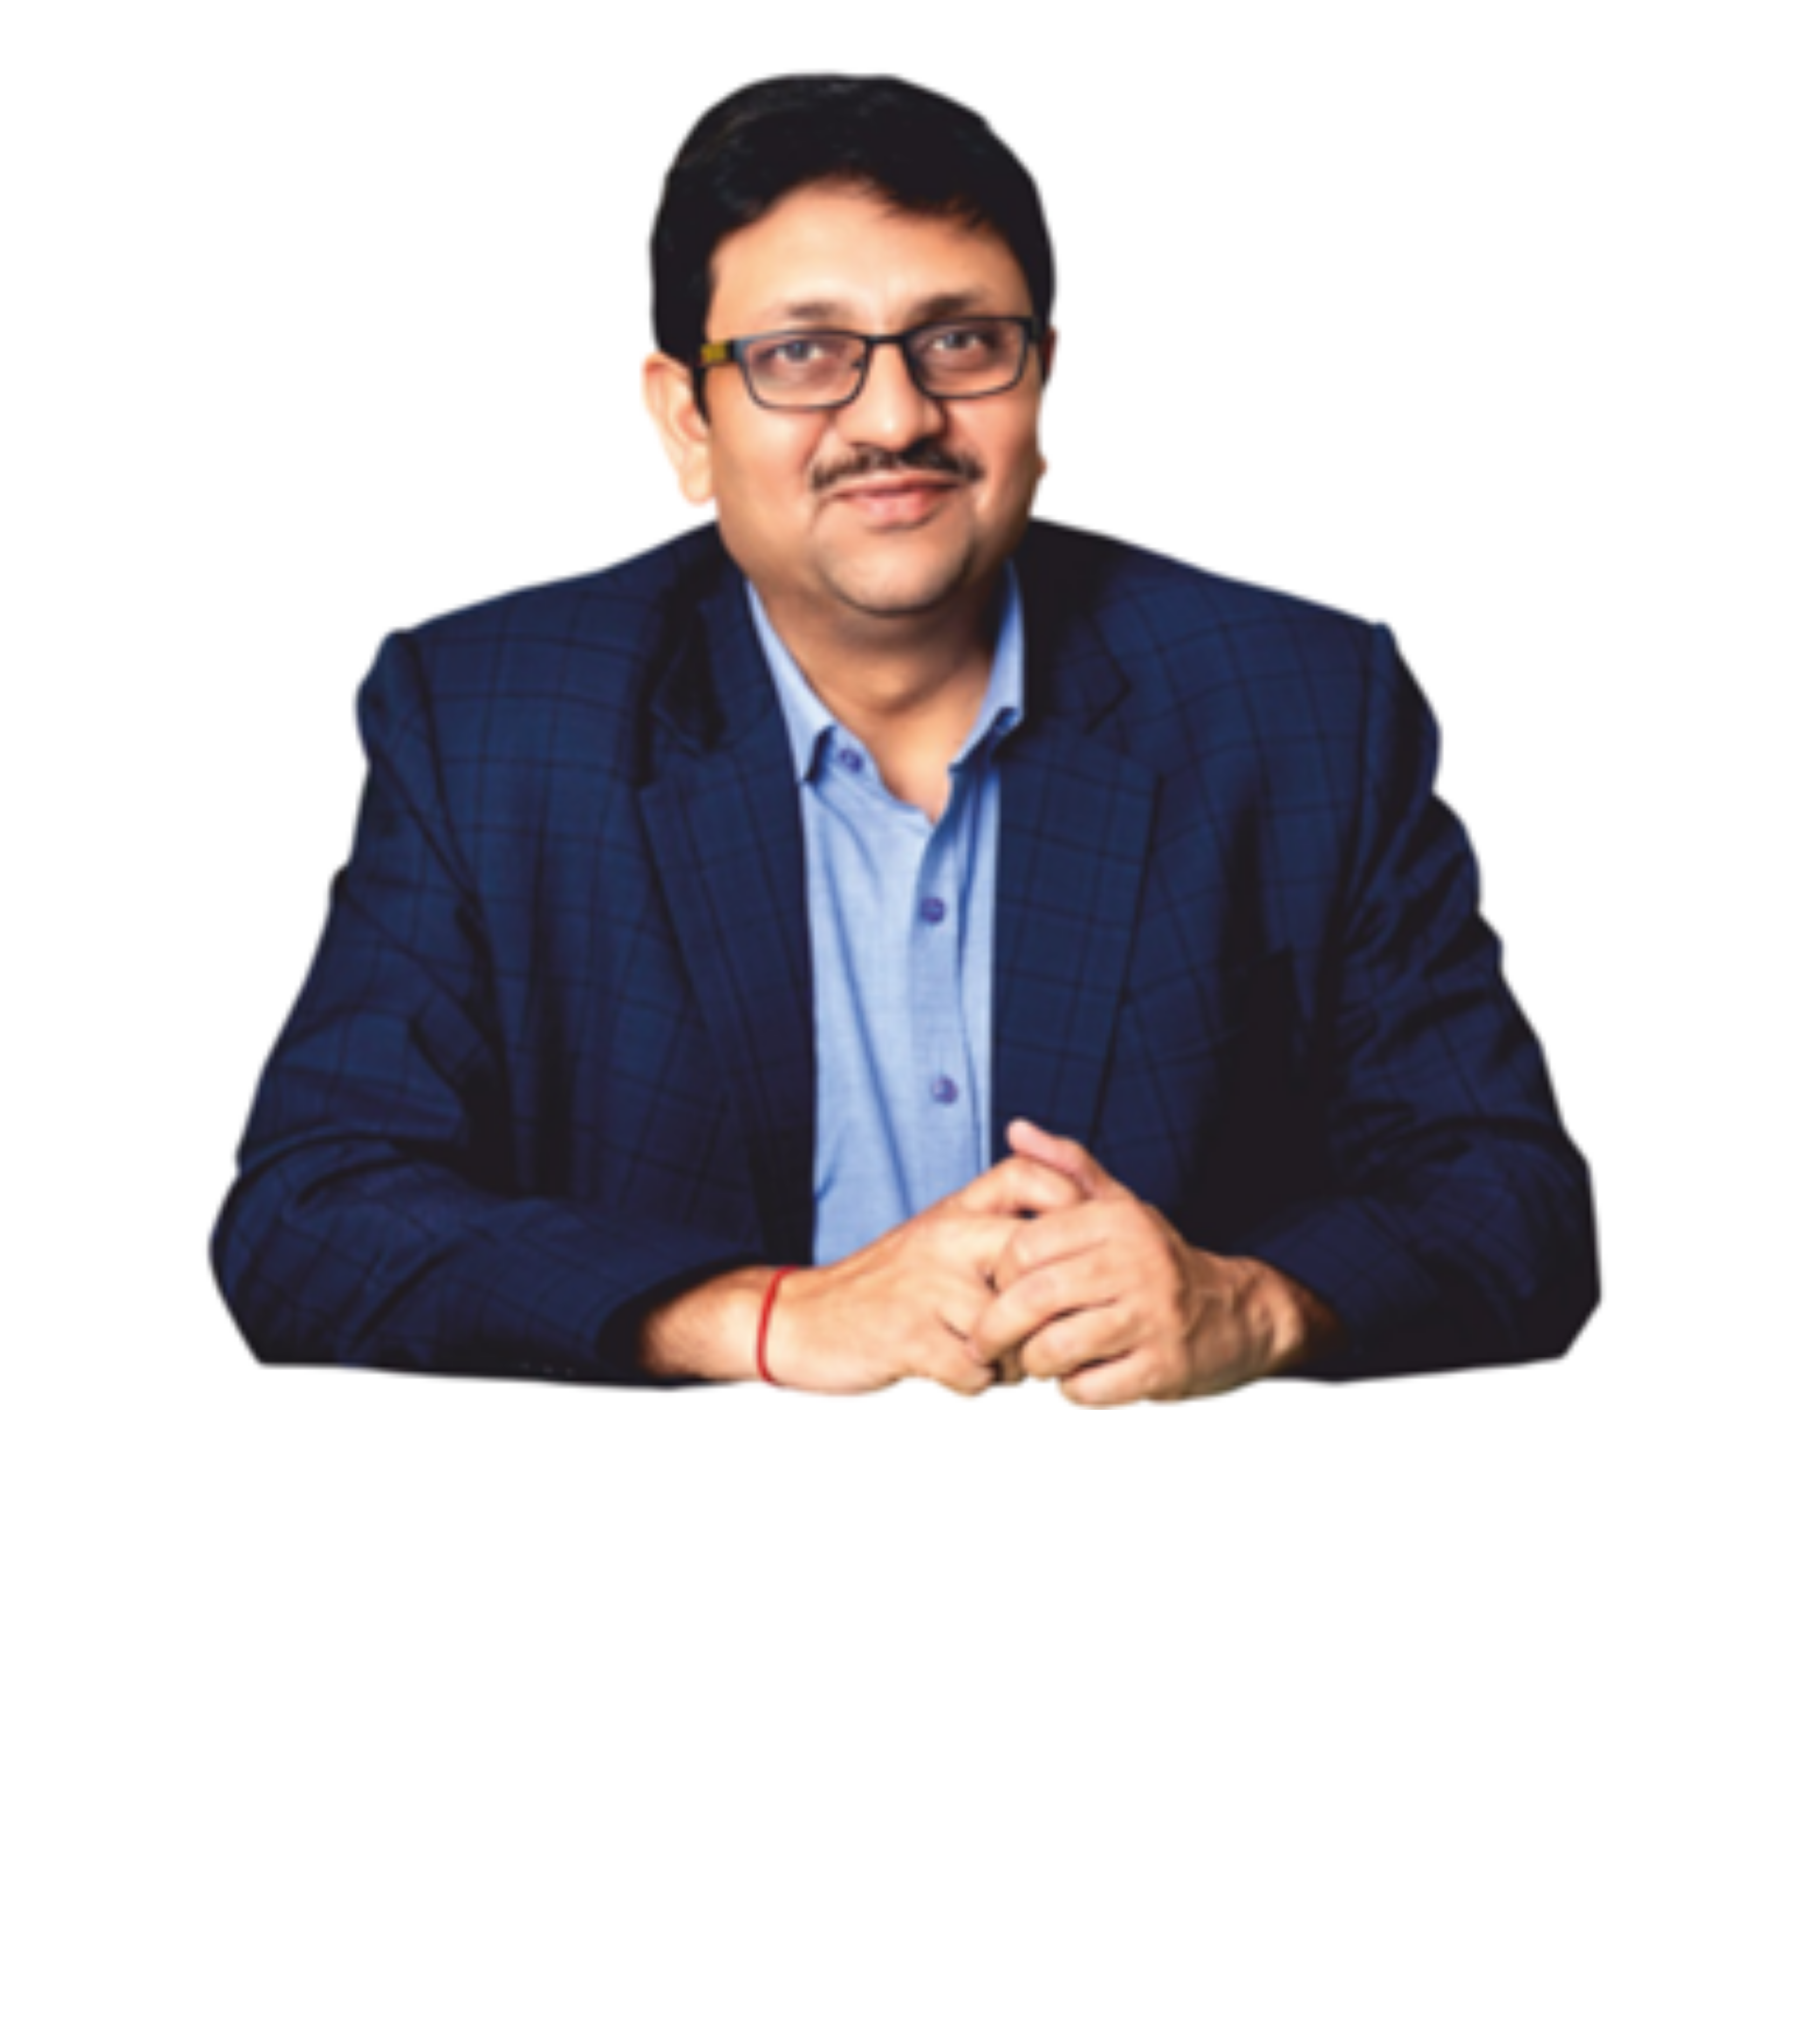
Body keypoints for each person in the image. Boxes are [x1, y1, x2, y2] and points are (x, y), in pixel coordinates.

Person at [209, 71, 1598, 1401]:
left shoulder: (1299, 704)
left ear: (1039, 382)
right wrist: (770, 1319)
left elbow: (1519, 1210)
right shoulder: (489, 719)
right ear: (687, 420)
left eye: (962, 341)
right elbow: (306, 1224)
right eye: (799, 354)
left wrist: (1253, 1304)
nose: (894, 416)